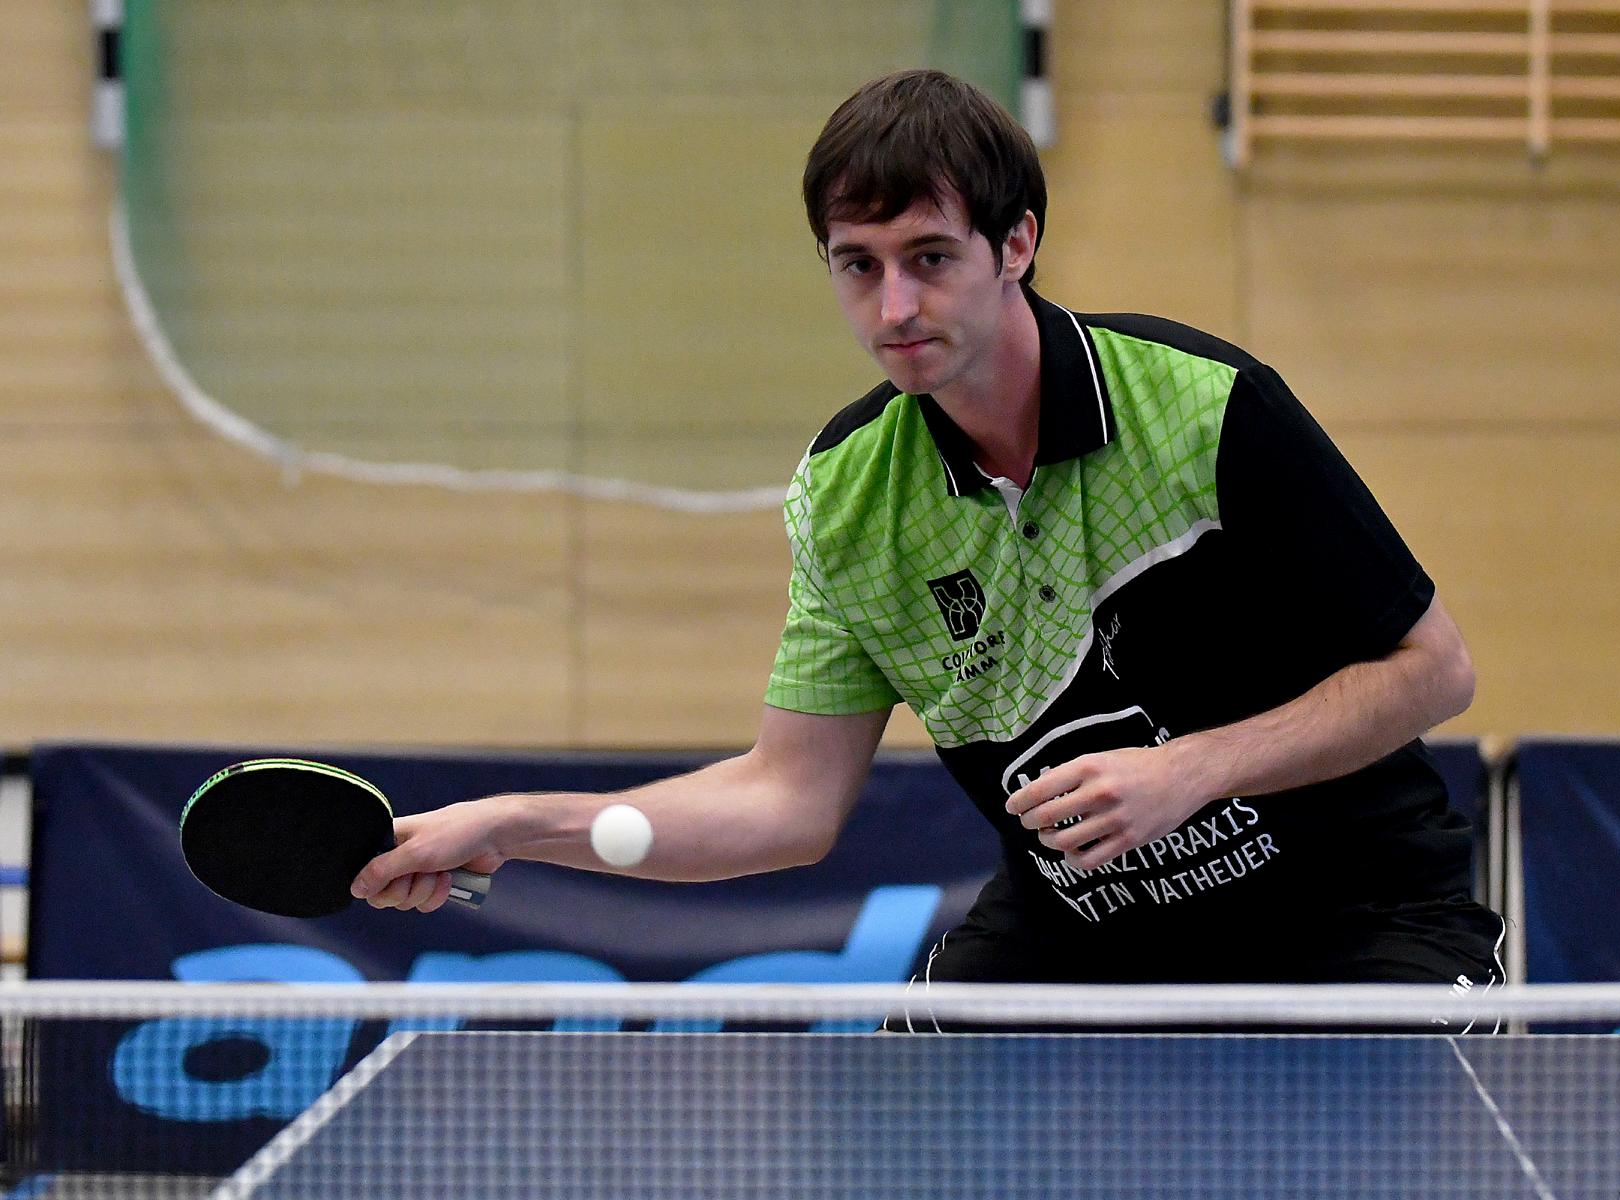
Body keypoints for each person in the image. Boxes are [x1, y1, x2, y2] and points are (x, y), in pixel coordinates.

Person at [352, 69, 1505, 1021]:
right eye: (859, 264)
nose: (894, 307)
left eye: (929, 257)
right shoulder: (849, 500)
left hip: (1359, 922)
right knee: (896, 1126)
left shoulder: (1203, 409)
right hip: (1086, 935)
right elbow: (787, 802)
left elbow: (1433, 671)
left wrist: (1192, 769)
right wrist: (518, 825)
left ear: (1017, 244)